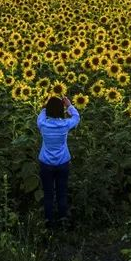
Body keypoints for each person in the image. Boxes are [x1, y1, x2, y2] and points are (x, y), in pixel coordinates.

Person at [37, 95, 80, 229]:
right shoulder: (65, 124)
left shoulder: (42, 123)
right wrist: (69, 105)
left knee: (48, 194)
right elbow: (76, 117)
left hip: (46, 163)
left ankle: (49, 224)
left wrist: (46, 105)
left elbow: (42, 114)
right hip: (62, 163)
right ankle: (63, 222)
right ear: (61, 110)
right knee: (62, 193)